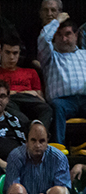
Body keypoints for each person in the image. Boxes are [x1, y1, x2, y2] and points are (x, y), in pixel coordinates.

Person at [0, 37, 51, 130]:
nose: (11, 57)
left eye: (15, 53)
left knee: (47, 109)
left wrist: (19, 93)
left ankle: (39, 134)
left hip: (29, 100)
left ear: (19, 53)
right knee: (5, 102)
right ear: (0, 52)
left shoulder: (31, 72)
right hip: (7, 100)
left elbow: (40, 98)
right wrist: (23, 92)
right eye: (7, 52)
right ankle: (32, 131)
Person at [38, 14, 86, 145]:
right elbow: (43, 39)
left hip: (84, 98)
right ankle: (59, 150)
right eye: (59, 35)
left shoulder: (84, 54)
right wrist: (56, 21)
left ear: (76, 35)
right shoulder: (50, 57)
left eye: (68, 34)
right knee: (57, 106)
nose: (64, 39)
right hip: (63, 103)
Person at [4, 121, 72, 194]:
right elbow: (13, 191)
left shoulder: (59, 158)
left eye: (42, 141)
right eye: (33, 140)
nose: (37, 145)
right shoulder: (15, 156)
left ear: (48, 140)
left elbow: (62, 190)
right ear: (26, 140)